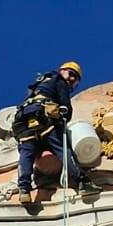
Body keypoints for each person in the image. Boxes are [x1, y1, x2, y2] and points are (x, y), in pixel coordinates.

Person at [13, 62, 93, 199]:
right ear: (62, 71)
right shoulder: (59, 80)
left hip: (24, 121)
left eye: (75, 79)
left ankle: (24, 189)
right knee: (62, 149)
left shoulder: (40, 83)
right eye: (71, 74)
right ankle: (83, 183)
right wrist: (64, 119)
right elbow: (65, 105)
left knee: (27, 152)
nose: (72, 79)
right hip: (44, 118)